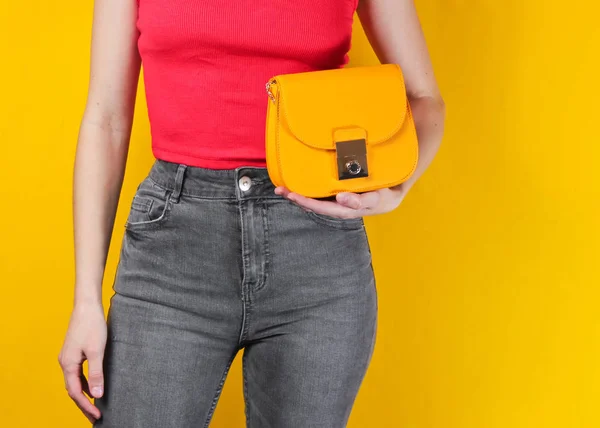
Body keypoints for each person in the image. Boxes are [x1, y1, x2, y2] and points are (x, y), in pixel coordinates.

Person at [57, 0, 445, 426]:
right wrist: (85, 301)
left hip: (317, 254)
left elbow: (425, 100)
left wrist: (396, 188)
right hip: (173, 256)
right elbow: (106, 120)